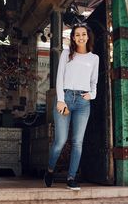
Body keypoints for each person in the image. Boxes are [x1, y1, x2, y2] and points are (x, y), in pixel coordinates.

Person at [44, 23, 99, 190]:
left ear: (88, 36)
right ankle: (50, 170)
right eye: (77, 35)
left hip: (83, 102)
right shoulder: (67, 54)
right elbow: (59, 77)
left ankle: (71, 177)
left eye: (83, 34)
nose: (80, 37)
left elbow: (93, 82)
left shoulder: (94, 58)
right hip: (65, 97)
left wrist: (92, 94)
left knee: (77, 142)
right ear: (73, 38)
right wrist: (61, 100)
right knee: (60, 141)